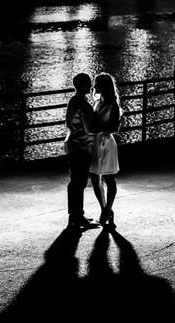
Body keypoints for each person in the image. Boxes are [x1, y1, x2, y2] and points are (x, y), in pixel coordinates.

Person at [87, 72, 124, 229]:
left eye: (97, 83)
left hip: (106, 143)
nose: (94, 86)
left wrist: (98, 127)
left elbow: (115, 128)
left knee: (109, 178)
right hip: (96, 142)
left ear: (104, 86)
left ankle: (108, 209)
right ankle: (105, 209)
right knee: (95, 177)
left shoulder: (113, 105)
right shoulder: (96, 103)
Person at [63, 72, 99, 230]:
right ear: (83, 85)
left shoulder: (72, 101)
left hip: (72, 143)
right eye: (89, 83)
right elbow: (89, 128)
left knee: (75, 181)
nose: (91, 86)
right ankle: (77, 217)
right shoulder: (84, 105)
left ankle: (75, 215)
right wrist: (103, 127)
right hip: (82, 146)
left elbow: (68, 123)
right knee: (80, 181)